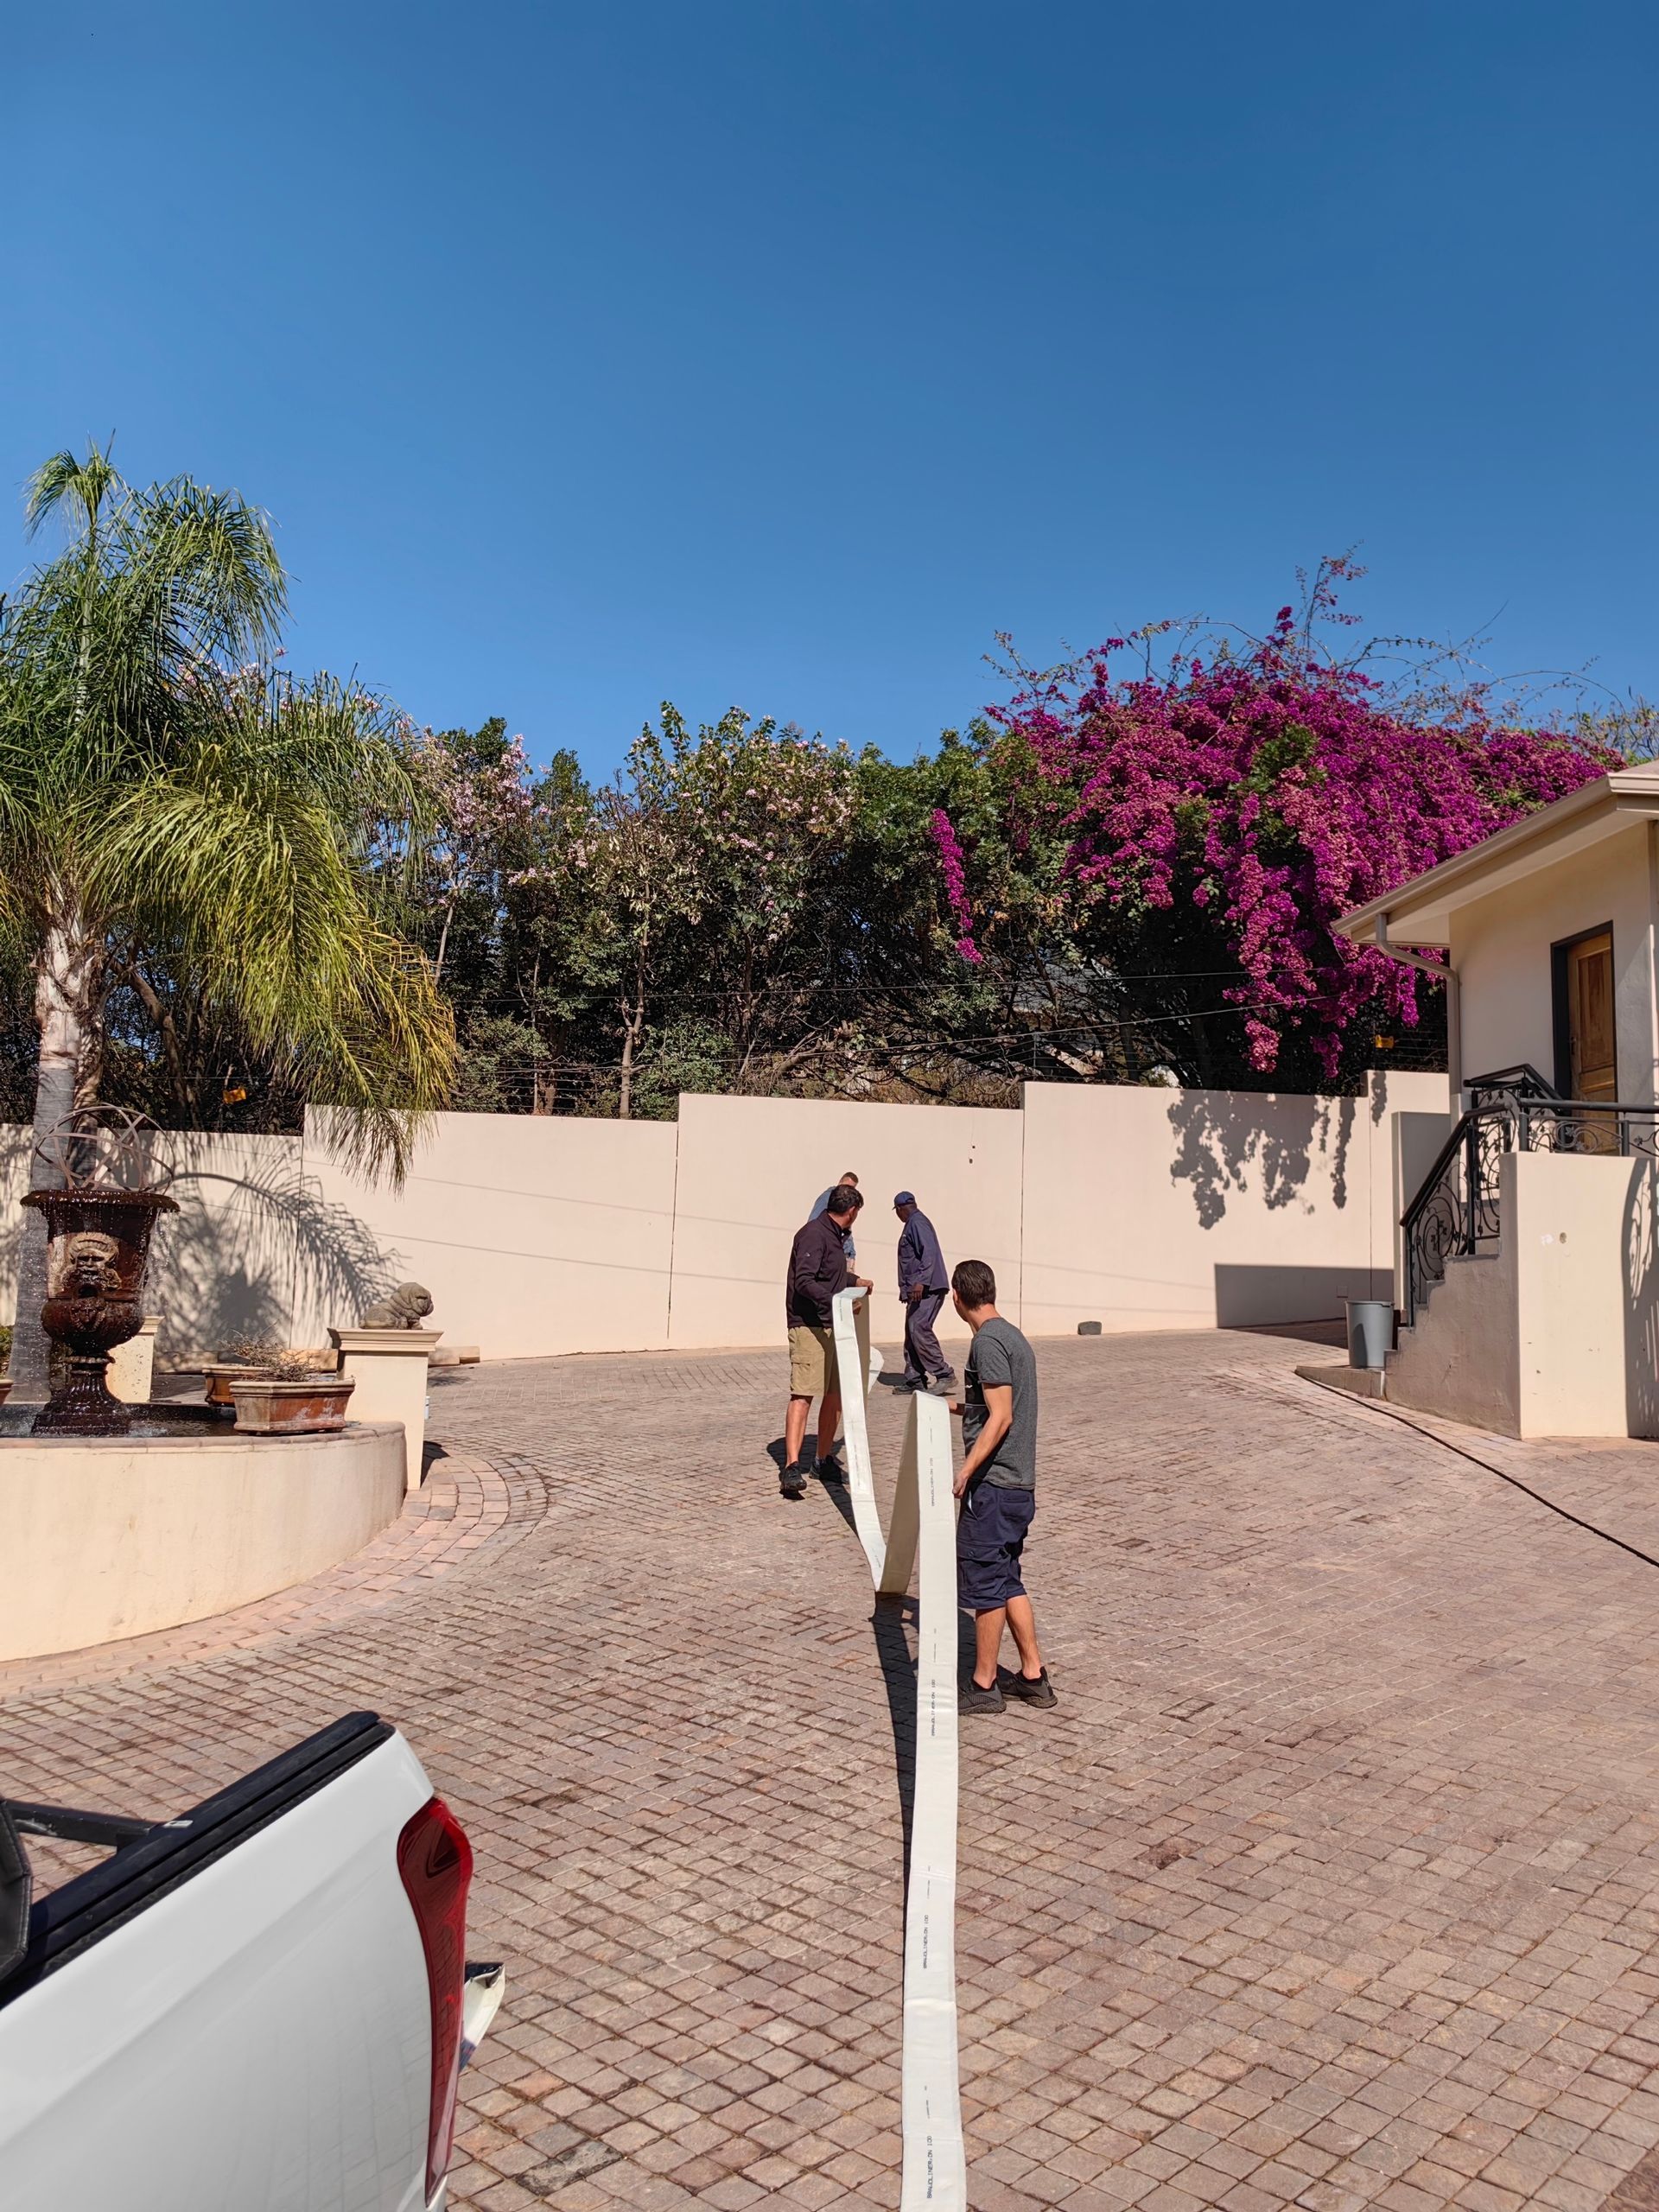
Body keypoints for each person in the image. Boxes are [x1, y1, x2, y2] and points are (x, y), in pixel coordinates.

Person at [948, 1259, 1055, 1714]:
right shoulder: (1011, 1335)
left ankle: (984, 1683)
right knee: (1008, 1578)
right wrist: (951, 1410)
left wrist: (967, 1469)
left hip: (994, 1486)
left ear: (957, 1298)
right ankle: (1033, 1676)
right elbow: (993, 1404)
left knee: (987, 1584)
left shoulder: (988, 1342)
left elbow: (1003, 1415)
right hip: (1018, 1488)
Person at [781, 1183, 871, 1499]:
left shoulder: (835, 1238)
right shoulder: (813, 1234)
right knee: (803, 1394)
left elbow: (830, 1275)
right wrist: (837, 1300)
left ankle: (822, 1461)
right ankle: (792, 1467)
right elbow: (805, 1281)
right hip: (809, 1326)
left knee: (834, 1395)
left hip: (834, 1327)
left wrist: (855, 1282)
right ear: (852, 1211)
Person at [893, 1192, 954, 1394]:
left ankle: (944, 1374)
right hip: (920, 1290)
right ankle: (915, 1379)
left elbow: (929, 1252)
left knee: (919, 1328)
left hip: (928, 1288)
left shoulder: (917, 1223)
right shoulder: (913, 1223)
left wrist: (920, 1282)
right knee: (912, 1331)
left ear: (901, 1209)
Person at [810, 1170, 862, 1262]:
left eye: (852, 1188)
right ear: (840, 1182)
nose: (849, 1191)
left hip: (845, 1252)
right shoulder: (828, 1197)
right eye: (846, 1187)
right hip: (832, 1254)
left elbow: (846, 1231)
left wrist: (851, 1252)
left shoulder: (848, 1200)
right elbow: (813, 1223)